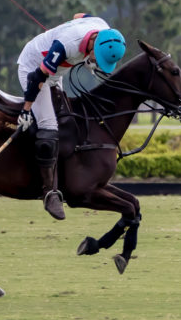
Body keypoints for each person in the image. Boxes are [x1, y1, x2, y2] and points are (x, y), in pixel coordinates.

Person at [16, 13, 126, 219]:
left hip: (56, 73)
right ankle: (49, 193)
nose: (95, 62)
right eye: (96, 57)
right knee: (49, 127)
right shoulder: (65, 45)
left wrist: (66, 26)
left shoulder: (103, 26)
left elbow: (81, 16)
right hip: (34, 68)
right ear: (94, 43)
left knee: (67, 122)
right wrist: (26, 109)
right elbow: (38, 77)